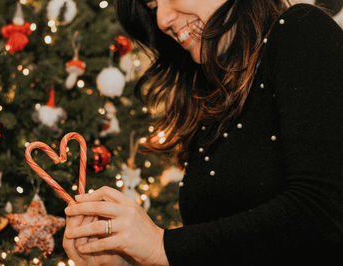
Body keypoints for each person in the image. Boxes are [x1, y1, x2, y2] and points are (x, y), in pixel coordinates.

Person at [63, 0, 343, 265]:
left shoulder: (302, 30)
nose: (162, 20)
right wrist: (131, 260)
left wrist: (162, 246)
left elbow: (324, 213)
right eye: (153, 7)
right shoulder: (209, 96)